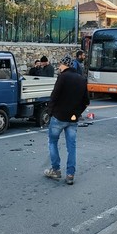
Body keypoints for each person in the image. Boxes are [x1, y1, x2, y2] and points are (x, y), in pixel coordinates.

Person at [44, 55, 90, 185]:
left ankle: (56, 169)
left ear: (66, 65)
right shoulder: (82, 79)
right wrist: (77, 113)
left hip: (58, 117)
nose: (59, 67)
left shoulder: (62, 77)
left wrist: (50, 113)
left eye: (60, 64)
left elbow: (54, 96)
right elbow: (86, 101)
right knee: (72, 147)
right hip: (73, 119)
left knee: (53, 142)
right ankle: (70, 174)